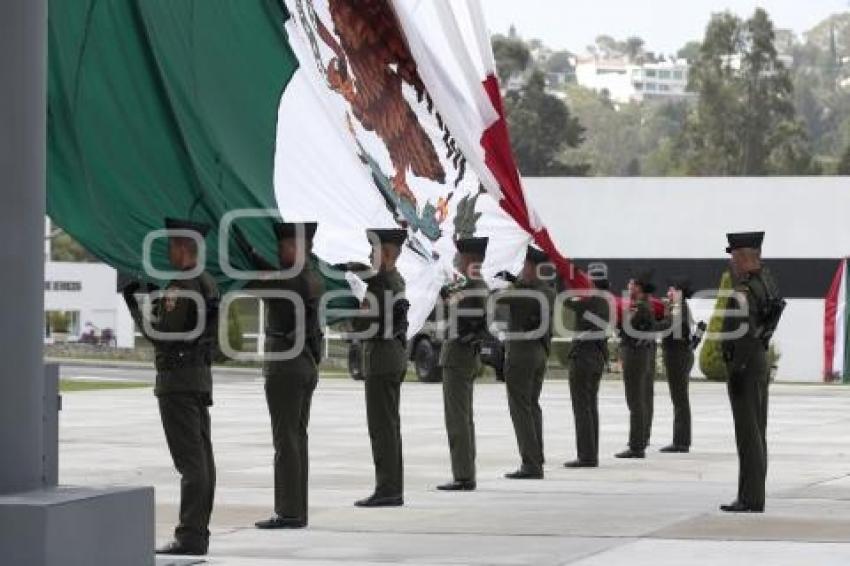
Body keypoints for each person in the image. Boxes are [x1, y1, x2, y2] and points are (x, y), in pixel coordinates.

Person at [123, 218, 219, 556]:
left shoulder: (182, 286)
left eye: (171, 246)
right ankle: (197, 531)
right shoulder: (206, 282)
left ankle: (190, 534)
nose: (168, 252)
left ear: (182, 247)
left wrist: (133, 300)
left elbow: (159, 334)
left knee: (191, 463)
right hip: (197, 378)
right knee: (202, 459)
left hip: (177, 382)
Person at [246, 222, 324, 530]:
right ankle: (297, 509)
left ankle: (288, 511)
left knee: (286, 441)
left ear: (299, 249)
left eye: (285, 247)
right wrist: (253, 254)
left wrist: (248, 259)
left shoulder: (289, 281)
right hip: (305, 365)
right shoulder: (311, 278)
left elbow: (253, 283)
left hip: (286, 369)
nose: (280, 252)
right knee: (297, 439)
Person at [339, 229, 409, 507]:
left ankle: (388, 489)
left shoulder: (382, 284)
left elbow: (360, 325)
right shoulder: (392, 279)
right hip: (389, 357)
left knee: (382, 428)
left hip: (381, 359)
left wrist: (357, 299)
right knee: (388, 426)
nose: (370, 256)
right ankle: (390, 487)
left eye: (374, 251)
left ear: (388, 254)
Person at [720, 231, 784, 513]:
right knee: (758, 430)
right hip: (759, 357)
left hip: (746, 363)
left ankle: (751, 498)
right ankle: (751, 493)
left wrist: (735, 370)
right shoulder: (767, 281)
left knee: (748, 434)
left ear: (744, 257)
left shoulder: (744, 291)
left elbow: (741, 333)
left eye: (734, 257)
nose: (732, 263)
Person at [497, 246, 556, 479]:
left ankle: (531, 464)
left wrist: (507, 281)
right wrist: (515, 280)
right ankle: (536, 456)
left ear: (531, 267)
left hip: (522, 354)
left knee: (520, 408)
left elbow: (499, 297)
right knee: (532, 406)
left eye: (523, 265)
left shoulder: (527, 294)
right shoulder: (548, 290)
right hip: (539, 353)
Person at [437, 237, 489, 491]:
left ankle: (464, 475)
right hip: (464, 355)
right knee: (464, 417)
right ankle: (466, 471)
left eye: (460, 257)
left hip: (458, 355)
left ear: (469, 259)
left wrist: (444, 293)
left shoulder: (472, 287)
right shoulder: (477, 285)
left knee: (457, 418)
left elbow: (451, 307)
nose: (456, 261)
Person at [564, 263, 612, 468]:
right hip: (596, 357)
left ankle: (586, 456)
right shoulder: (604, 302)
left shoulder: (588, 301)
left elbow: (566, 300)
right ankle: (591, 453)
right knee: (591, 407)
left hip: (583, 358)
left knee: (582, 408)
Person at [616, 271, 658, 459]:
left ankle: (636, 445)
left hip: (635, 354)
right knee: (639, 400)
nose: (628, 286)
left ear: (639, 288)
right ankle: (638, 441)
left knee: (635, 401)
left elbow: (628, 330)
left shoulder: (640, 307)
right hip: (638, 353)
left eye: (632, 284)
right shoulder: (643, 305)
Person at [659, 278, 695, 454]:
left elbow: (667, 327)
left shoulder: (678, 308)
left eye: (671, 290)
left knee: (680, 399)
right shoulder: (680, 307)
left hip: (678, 356)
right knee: (680, 399)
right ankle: (681, 440)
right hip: (680, 355)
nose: (667, 293)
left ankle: (681, 442)